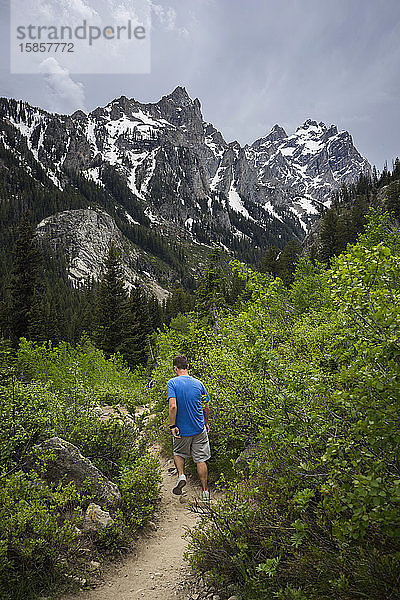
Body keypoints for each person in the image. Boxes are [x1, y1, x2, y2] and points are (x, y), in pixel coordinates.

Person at [167, 355, 211, 501]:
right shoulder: (199, 383)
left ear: (175, 368)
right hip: (199, 428)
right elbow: (206, 405)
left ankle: (181, 475)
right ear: (187, 367)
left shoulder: (172, 383)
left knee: (179, 453)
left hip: (181, 430)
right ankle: (205, 492)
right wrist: (205, 422)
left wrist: (173, 425)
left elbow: (173, 406)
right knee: (201, 459)